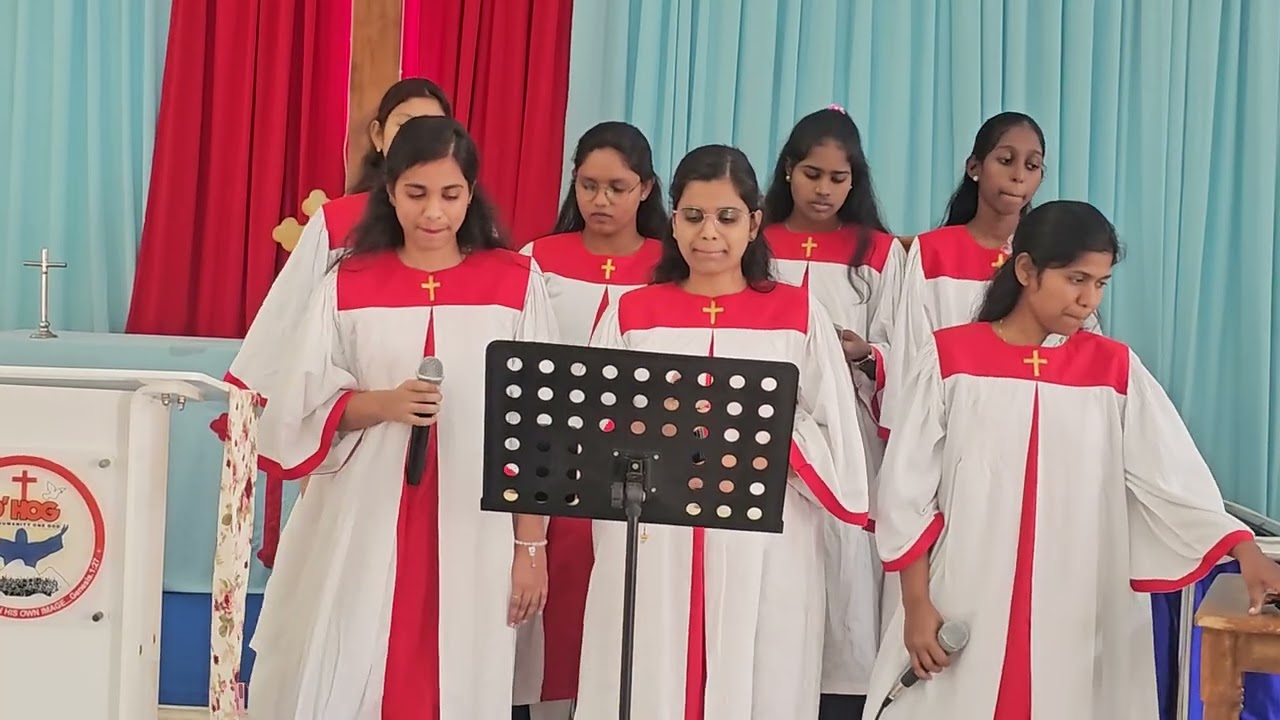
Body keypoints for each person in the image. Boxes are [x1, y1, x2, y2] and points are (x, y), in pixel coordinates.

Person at [863, 201, 1280, 719]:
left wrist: (1244, 549)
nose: (1088, 299)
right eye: (1076, 278)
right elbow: (906, 492)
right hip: (965, 590)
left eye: (1101, 283)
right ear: (1026, 270)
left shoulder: (1114, 369)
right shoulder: (951, 360)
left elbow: (1172, 477)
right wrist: (917, 605)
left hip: (1079, 600)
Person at [246, 116, 558, 719]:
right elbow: (302, 401)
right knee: (358, 647)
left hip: (477, 509)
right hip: (368, 506)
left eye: (450, 194)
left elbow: (536, 426)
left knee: (463, 658)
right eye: (416, 193)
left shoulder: (516, 283)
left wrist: (530, 546)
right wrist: (381, 404)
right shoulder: (349, 282)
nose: (434, 212)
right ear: (390, 192)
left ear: (472, 192)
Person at [575, 144, 870, 719]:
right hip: (654, 537)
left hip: (763, 538)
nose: (709, 233)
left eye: (727, 217)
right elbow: (593, 425)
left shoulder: (796, 314)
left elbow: (835, 432)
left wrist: (759, 432)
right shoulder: (632, 313)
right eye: (693, 216)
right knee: (646, 673)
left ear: (755, 223)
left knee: (756, 677)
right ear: (673, 222)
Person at [223, 77, 452, 567]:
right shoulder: (336, 225)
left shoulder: (460, 230)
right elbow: (292, 330)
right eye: (405, 125)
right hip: (347, 433)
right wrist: (313, 423)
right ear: (378, 135)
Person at [512, 121, 666, 720]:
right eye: (588, 185)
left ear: (647, 190)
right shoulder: (537, 260)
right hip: (552, 465)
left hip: (637, 470)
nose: (601, 201)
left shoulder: (667, 265)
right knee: (548, 624)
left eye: (618, 187)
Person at [761, 105, 900, 718]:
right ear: (788, 170)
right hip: (770, 431)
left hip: (849, 438)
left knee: (845, 577)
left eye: (837, 179)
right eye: (812, 174)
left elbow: (909, 346)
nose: (823, 190)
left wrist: (866, 353)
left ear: (856, 181)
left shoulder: (877, 253)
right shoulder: (755, 240)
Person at [881, 112, 1095, 434]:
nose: (1018, 176)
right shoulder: (931, 254)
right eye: (1006, 160)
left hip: (1041, 422)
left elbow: (1082, 348)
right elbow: (911, 356)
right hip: (952, 426)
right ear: (974, 167)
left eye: (1032, 166)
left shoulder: (1053, 258)